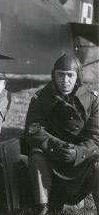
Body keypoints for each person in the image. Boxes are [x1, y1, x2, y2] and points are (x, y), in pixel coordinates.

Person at [24, 54, 99, 215]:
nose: (65, 80)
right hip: (51, 162)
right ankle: (42, 208)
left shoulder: (92, 100)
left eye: (70, 75)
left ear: (77, 76)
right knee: (36, 156)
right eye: (61, 75)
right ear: (54, 75)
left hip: (81, 165)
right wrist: (57, 147)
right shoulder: (40, 98)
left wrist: (78, 152)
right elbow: (33, 130)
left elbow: (95, 137)